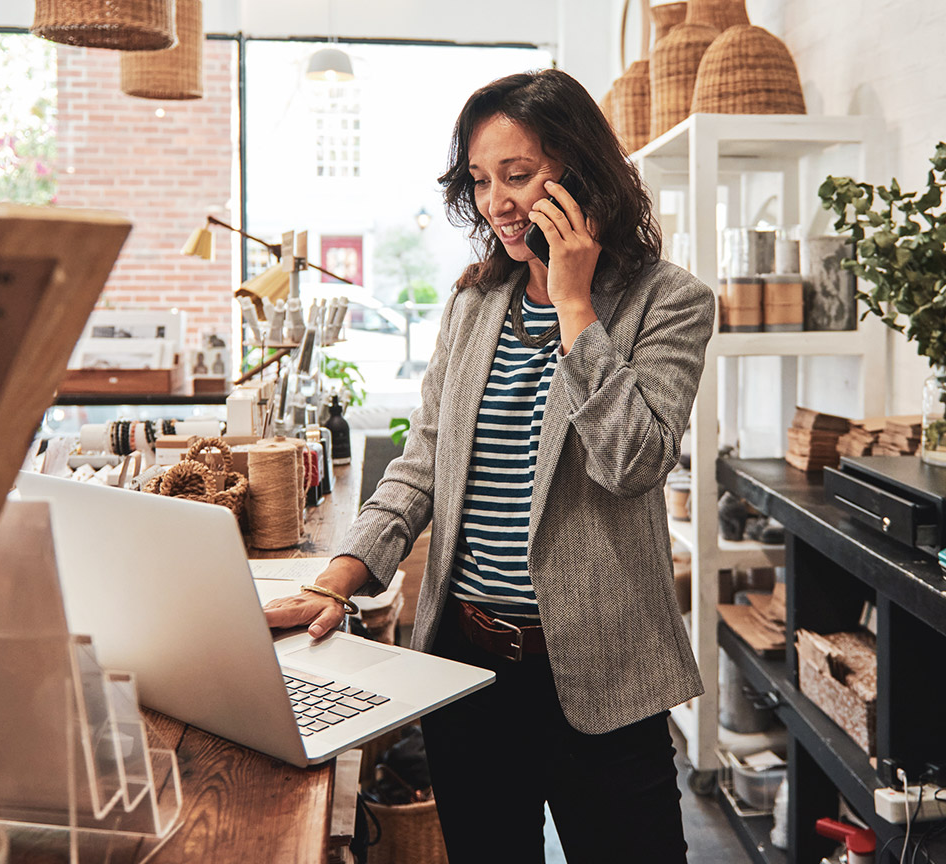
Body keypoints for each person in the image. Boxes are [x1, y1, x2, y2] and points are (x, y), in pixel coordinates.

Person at [263, 68, 714, 863]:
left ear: (580, 171)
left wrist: (574, 304)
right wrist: (340, 574)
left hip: (604, 678)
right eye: (480, 180)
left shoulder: (667, 302)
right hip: (467, 675)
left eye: (518, 173)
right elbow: (422, 463)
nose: (496, 202)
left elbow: (633, 461)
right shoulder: (475, 305)